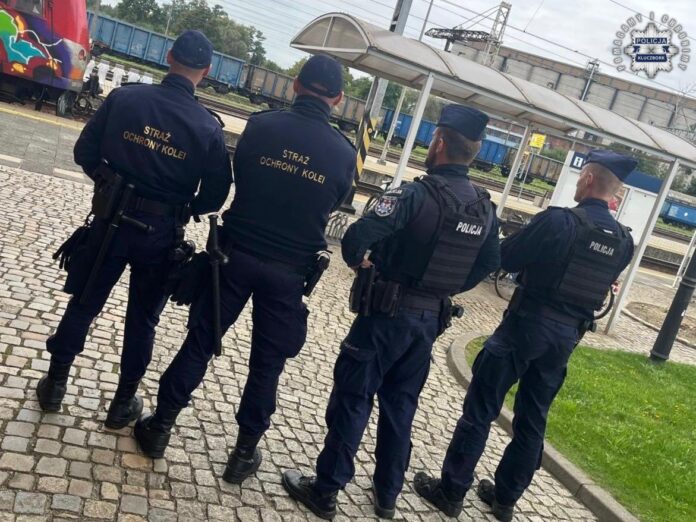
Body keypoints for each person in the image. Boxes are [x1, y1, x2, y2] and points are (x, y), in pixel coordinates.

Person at [133, 55, 356, 471]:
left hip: (233, 258)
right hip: (290, 272)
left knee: (200, 341)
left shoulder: (261, 125)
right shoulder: (344, 153)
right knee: (267, 365)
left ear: (296, 84)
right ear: (339, 99)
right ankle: (243, 453)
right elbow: (338, 200)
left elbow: (243, 174)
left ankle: (160, 426)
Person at [282, 104, 502, 520]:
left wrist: (359, 262)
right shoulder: (484, 208)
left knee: (354, 398)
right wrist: (445, 288)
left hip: (385, 316)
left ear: (439, 143)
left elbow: (358, 236)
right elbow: (491, 261)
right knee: (401, 406)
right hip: (429, 321)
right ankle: (387, 495)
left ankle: (326, 491)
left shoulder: (415, 194)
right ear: (473, 152)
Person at [412, 150, 636, 521]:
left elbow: (506, 257)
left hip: (525, 327)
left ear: (589, 179)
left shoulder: (560, 221)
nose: (578, 182)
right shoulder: (624, 241)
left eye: (581, 176)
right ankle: (505, 500)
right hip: (566, 339)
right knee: (533, 421)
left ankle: (451, 491)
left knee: (481, 408)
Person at [36, 31, 232, 431]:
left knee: (84, 303)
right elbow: (216, 193)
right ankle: (122, 404)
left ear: (169, 56)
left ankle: (55, 385)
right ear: (207, 71)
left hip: (111, 220)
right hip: (161, 234)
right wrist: (183, 209)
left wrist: (108, 184)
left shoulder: (125, 99)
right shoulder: (207, 127)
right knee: (143, 320)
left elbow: (84, 152)